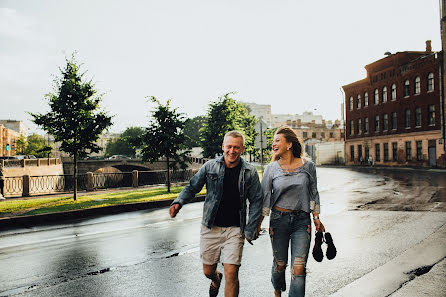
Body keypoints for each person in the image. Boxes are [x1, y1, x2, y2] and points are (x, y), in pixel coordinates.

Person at [169, 131, 263, 297]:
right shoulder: (210, 167)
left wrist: (251, 228)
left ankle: (223, 278)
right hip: (211, 227)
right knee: (207, 271)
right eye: (229, 147)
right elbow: (192, 187)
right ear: (223, 147)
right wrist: (178, 202)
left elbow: (257, 200)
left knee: (232, 274)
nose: (232, 151)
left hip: (235, 230)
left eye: (236, 147)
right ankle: (215, 278)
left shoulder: (249, 171)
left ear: (242, 149)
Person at [258, 127, 324, 297]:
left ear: (289, 144)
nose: (273, 144)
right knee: (280, 264)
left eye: (277, 140)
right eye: (273, 141)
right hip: (278, 221)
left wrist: (316, 217)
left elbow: (313, 192)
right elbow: (265, 197)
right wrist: (258, 224)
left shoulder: (308, 166)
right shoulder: (271, 169)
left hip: (302, 222)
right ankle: (277, 289)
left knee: (299, 267)